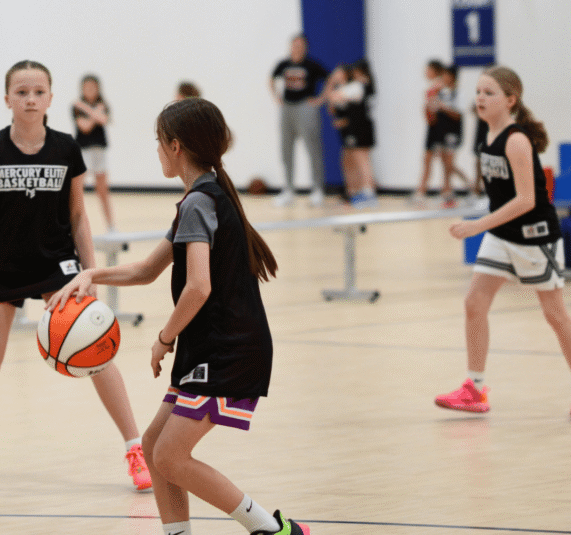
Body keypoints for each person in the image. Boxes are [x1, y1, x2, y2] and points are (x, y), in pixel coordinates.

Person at [48, 97, 311, 535]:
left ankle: (273, 530)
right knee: (154, 447)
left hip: (229, 347)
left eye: (157, 142)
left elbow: (198, 287)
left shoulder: (199, 203)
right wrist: (92, 273)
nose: (155, 150)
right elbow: (147, 270)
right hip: (212, 344)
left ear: (175, 146)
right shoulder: (204, 196)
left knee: (169, 456)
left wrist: (164, 338)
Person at [0, 60, 152, 492]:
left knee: (97, 355)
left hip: (57, 268)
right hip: (1, 267)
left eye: (39, 91)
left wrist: (91, 275)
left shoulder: (66, 148)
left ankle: (136, 450)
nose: (30, 99)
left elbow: (79, 215)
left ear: (50, 97)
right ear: (7, 99)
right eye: (22, 92)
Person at [437, 66, 571, 420]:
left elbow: (526, 200)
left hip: (535, 238)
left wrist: (477, 226)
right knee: (474, 303)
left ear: (510, 100)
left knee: (554, 314)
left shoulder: (516, 140)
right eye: (478, 91)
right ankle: (474, 387)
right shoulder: (486, 137)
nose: (480, 98)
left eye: (489, 93)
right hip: (502, 236)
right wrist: (486, 227)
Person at [269, 34, 330, 208]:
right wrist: (276, 97)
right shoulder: (284, 64)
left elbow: (329, 78)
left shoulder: (312, 65)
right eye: (294, 45)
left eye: (300, 45)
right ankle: (288, 189)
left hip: (305, 107)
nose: (297, 48)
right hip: (287, 107)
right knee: (286, 149)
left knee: (312, 148)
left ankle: (317, 189)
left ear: (305, 47)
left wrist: (320, 99)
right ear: (290, 46)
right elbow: (271, 78)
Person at [414, 63, 469, 206]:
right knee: (442, 160)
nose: (443, 77)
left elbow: (458, 115)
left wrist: (443, 107)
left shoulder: (459, 93)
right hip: (440, 131)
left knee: (449, 162)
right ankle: (443, 191)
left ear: (452, 77)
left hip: (453, 132)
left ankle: (451, 191)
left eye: (445, 75)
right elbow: (431, 113)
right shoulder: (439, 92)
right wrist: (429, 108)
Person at [328, 60, 377, 208]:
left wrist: (331, 83)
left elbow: (334, 97)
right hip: (352, 129)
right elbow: (335, 107)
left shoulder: (358, 85)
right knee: (348, 159)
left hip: (359, 129)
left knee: (362, 159)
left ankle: (369, 193)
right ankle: (354, 192)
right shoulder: (355, 86)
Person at [73, 74, 115, 231]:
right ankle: (74, 225)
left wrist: (87, 110)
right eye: (87, 88)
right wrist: (95, 112)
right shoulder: (77, 107)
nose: (90, 91)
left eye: (93, 87)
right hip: (83, 152)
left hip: (100, 151)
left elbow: (104, 120)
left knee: (102, 190)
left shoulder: (102, 104)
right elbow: (85, 127)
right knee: (78, 189)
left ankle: (111, 226)